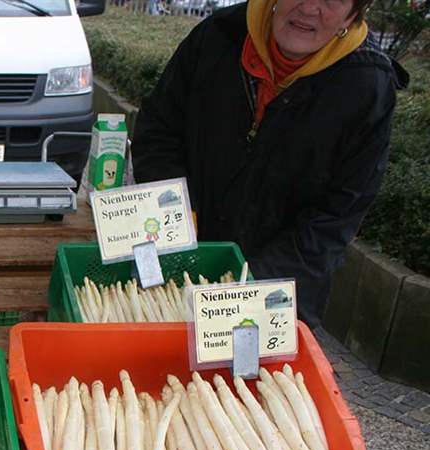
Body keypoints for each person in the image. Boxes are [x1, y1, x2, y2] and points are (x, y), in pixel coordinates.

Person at [131, 0, 407, 326]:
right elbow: (159, 129)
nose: (310, 8)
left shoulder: (367, 87)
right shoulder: (218, 36)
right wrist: (175, 212)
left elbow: (336, 216)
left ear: (353, 13)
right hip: (180, 269)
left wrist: (248, 284)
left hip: (276, 293)